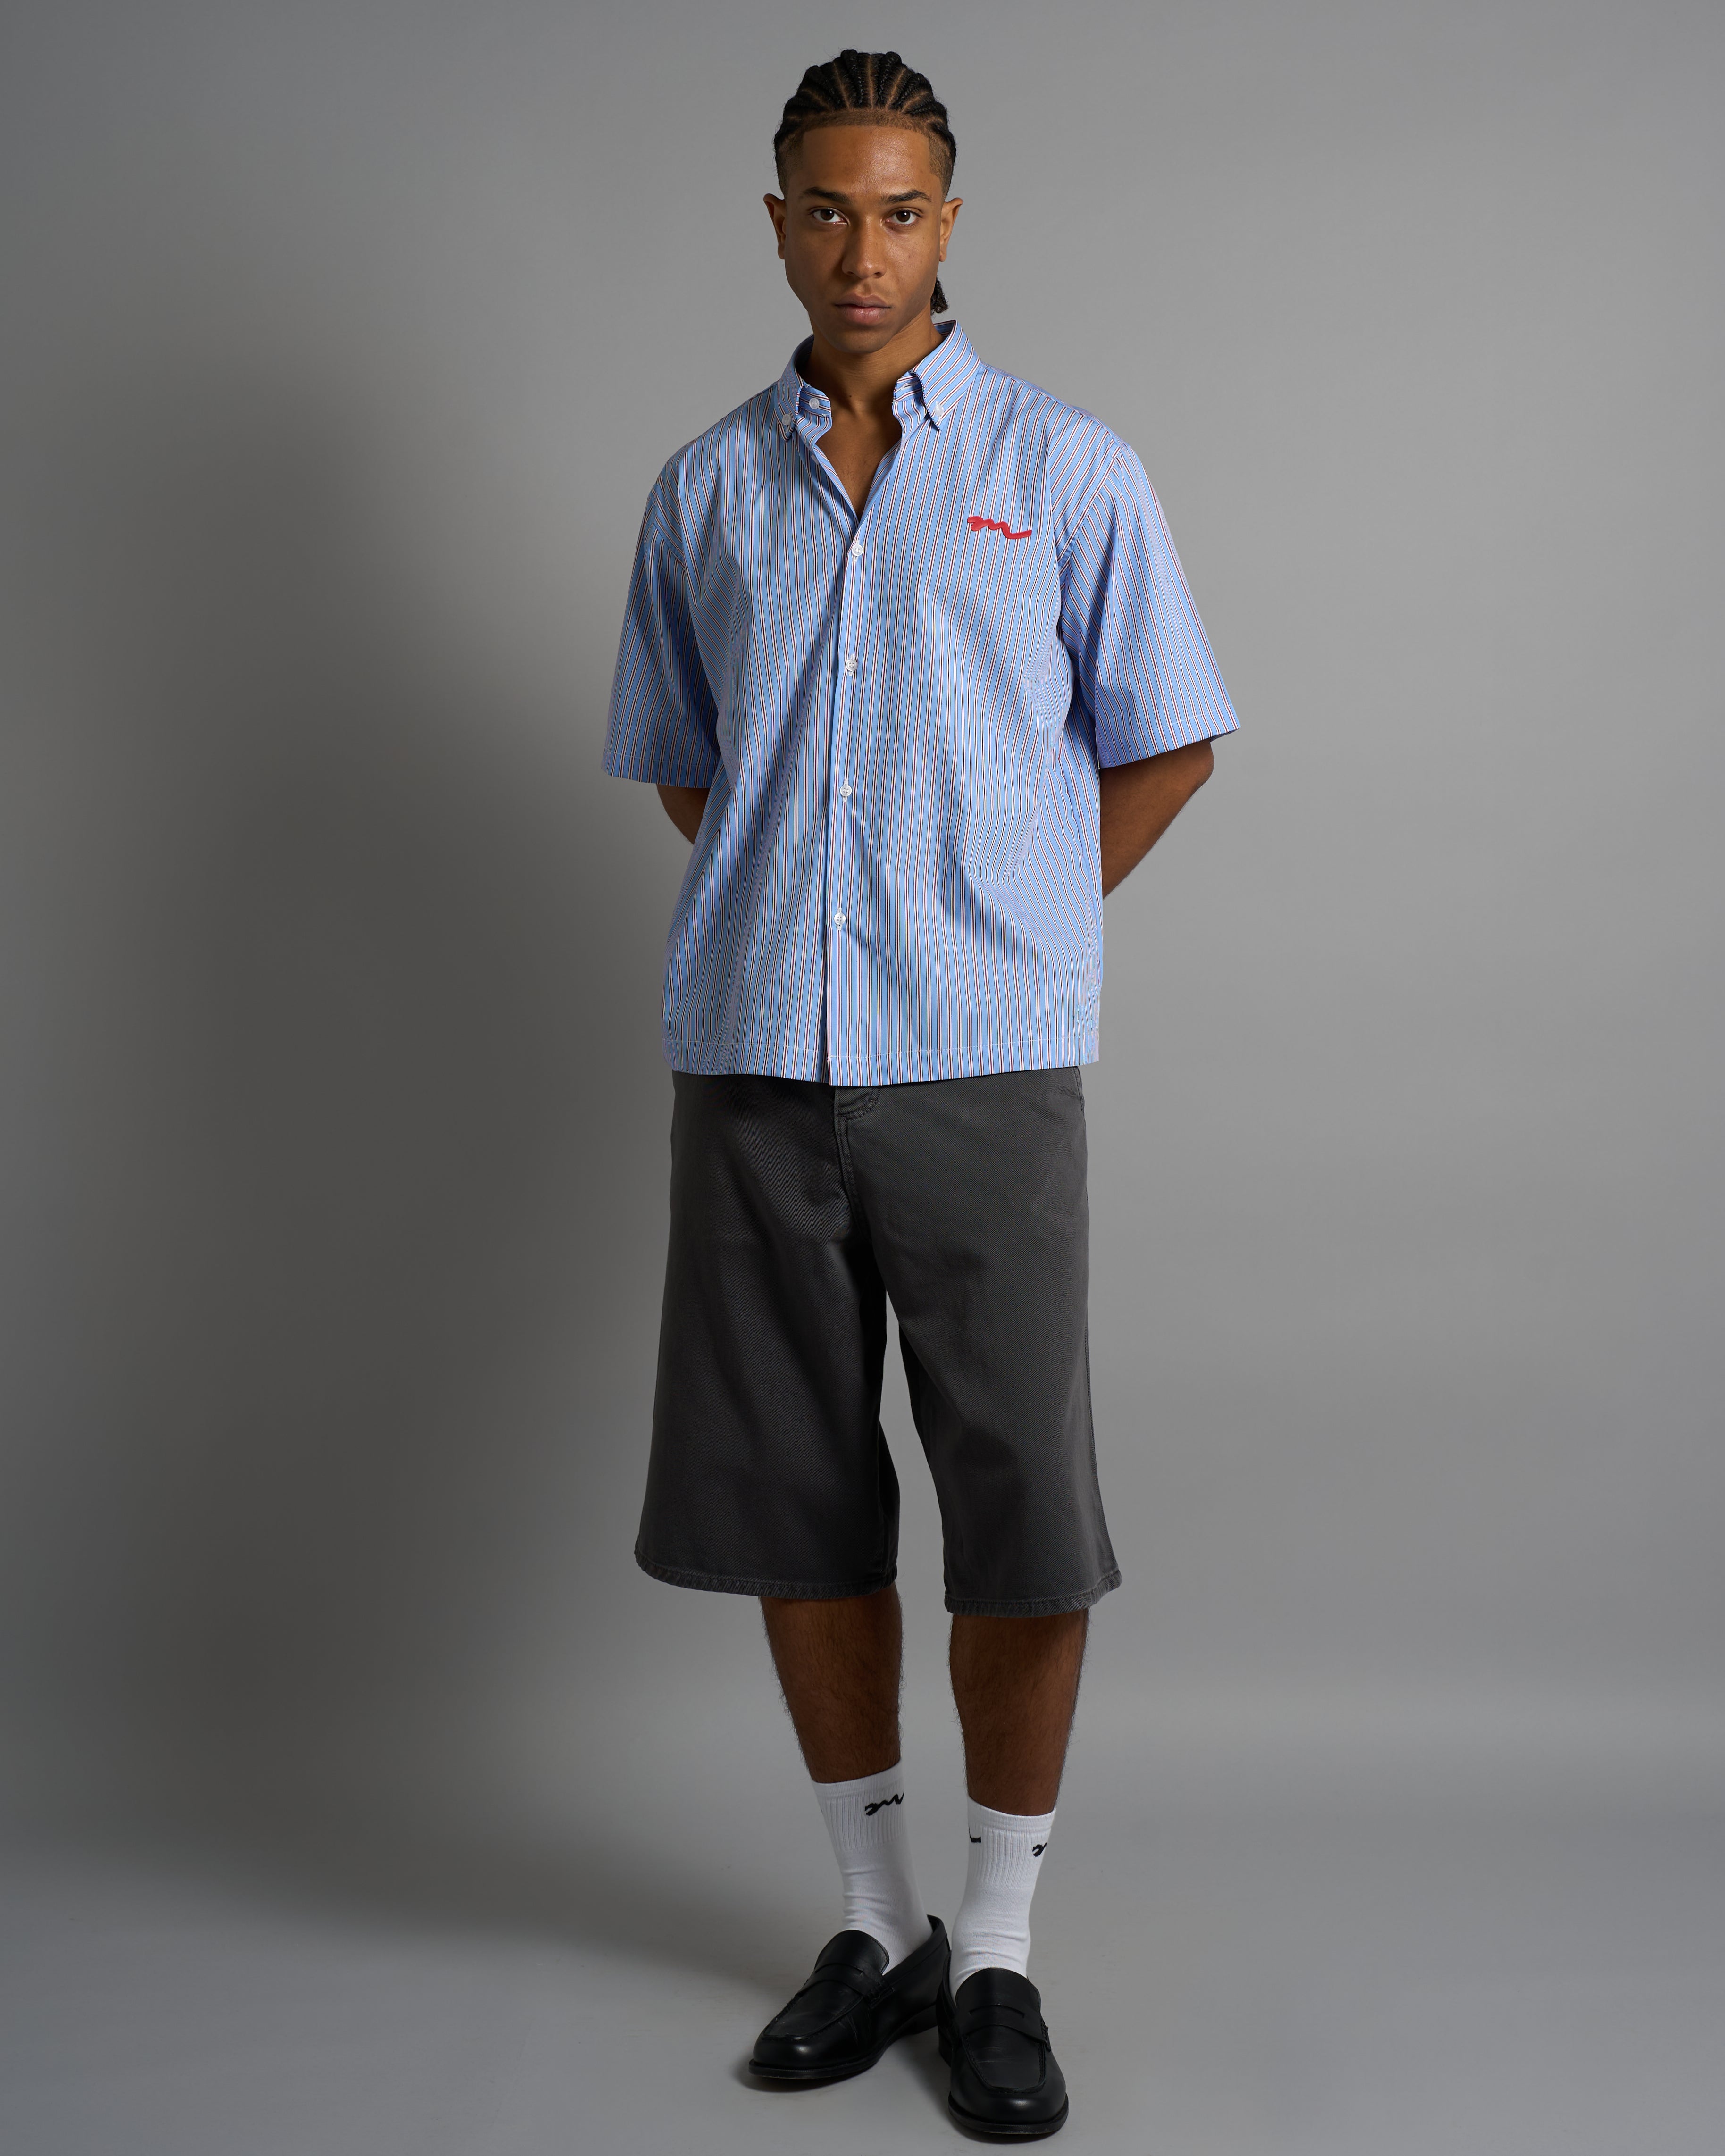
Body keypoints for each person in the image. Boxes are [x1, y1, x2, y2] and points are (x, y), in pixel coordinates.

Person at [603, 47, 1237, 2141]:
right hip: (755, 1073)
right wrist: (802, 920)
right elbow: (695, 767)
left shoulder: (1065, 469)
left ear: (947, 222)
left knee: (1021, 1512)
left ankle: (1000, 1946)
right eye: (824, 210)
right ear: (775, 224)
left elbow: (1166, 737)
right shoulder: (705, 490)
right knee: (795, 1499)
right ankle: (874, 1923)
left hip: (984, 1070)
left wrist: (1007, 920)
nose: (860, 251)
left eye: (897, 211)